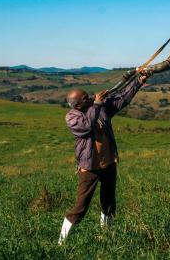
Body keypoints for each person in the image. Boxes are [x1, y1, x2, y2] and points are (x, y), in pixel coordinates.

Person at [58, 68, 152, 245]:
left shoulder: (99, 108)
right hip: (89, 168)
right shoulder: (72, 116)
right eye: (86, 97)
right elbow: (87, 126)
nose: (91, 97)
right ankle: (61, 243)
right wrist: (97, 104)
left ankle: (107, 236)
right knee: (80, 208)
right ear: (77, 105)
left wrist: (138, 82)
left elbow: (122, 99)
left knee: (108, 203)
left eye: (88, 95)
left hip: (108, 164)